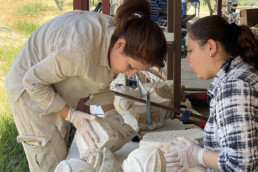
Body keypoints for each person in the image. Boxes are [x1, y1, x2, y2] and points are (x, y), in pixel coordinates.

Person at [5, 0, 167, 171]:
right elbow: (32, 81)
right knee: (52, 163)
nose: (130, 74)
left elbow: (102, 76)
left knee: (62, 148)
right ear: (120, 45)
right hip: (30, 92)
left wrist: (111, 112)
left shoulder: (116, 37)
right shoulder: (80, 49)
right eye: (131, 67)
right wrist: (72, 115)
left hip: (51, 84)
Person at [165, 15, 257, 171]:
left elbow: (241, 164)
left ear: (211, 47)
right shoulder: (238, 74)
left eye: (190, 50)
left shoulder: (234, 87)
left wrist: (198, 155)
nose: (187, 59)